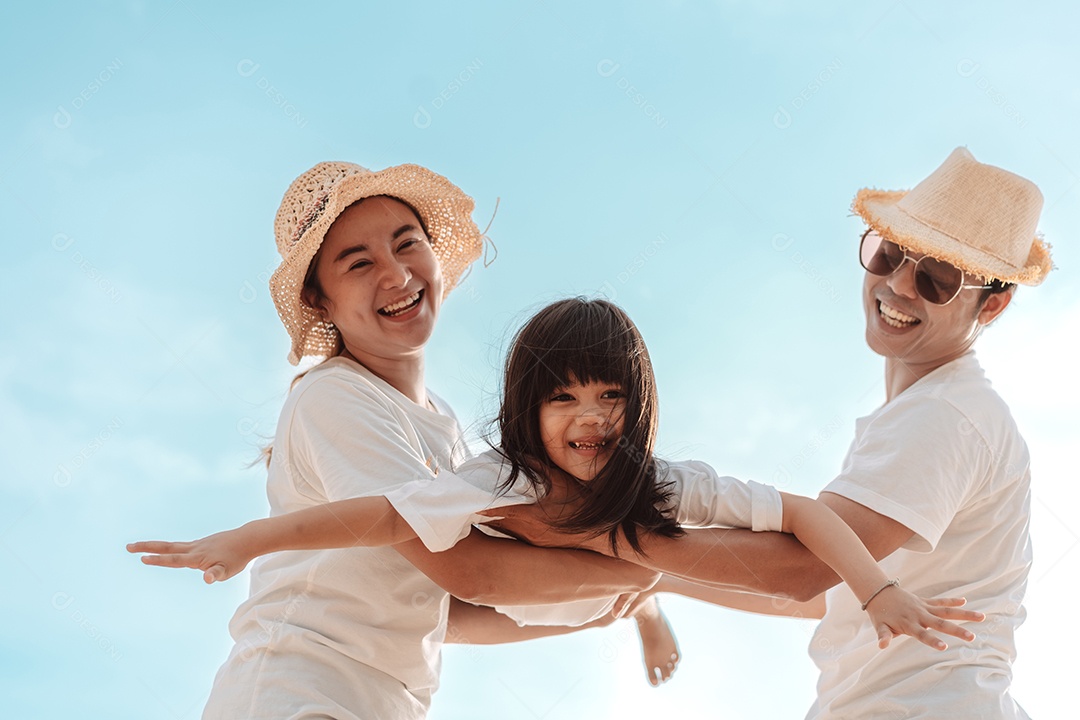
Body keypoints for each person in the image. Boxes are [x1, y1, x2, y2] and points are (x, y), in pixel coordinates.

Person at [131, 299, 983, 689]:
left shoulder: (663, 483)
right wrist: (249, 537)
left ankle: (645, 604)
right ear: (524, 411)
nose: (590, 418)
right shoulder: (498, 477)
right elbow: (387, 515)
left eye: (611, 396)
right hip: (497, 601)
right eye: (563, 397)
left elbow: (804, 514)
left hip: (587, 600)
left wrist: (877, 588)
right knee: (476, 590)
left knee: (642, 578)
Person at [491, 147, 1050, 719]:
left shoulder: (944, 416)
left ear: (994, 305)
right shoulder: (929, 410)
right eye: (890, 254)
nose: (900, 286)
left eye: (938, 279)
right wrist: (659, 578)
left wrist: (588, 529)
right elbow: (829, 595)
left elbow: (805, 570)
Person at [150, 161, 660, 720]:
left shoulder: (439, 423)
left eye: (406, 244)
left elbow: (449, 611)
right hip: (299, 688)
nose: (395, 276)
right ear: (321, 301)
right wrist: (647, 569)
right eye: (359, 262)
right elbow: (464, 569)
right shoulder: (336, 397)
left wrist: (610, 606)